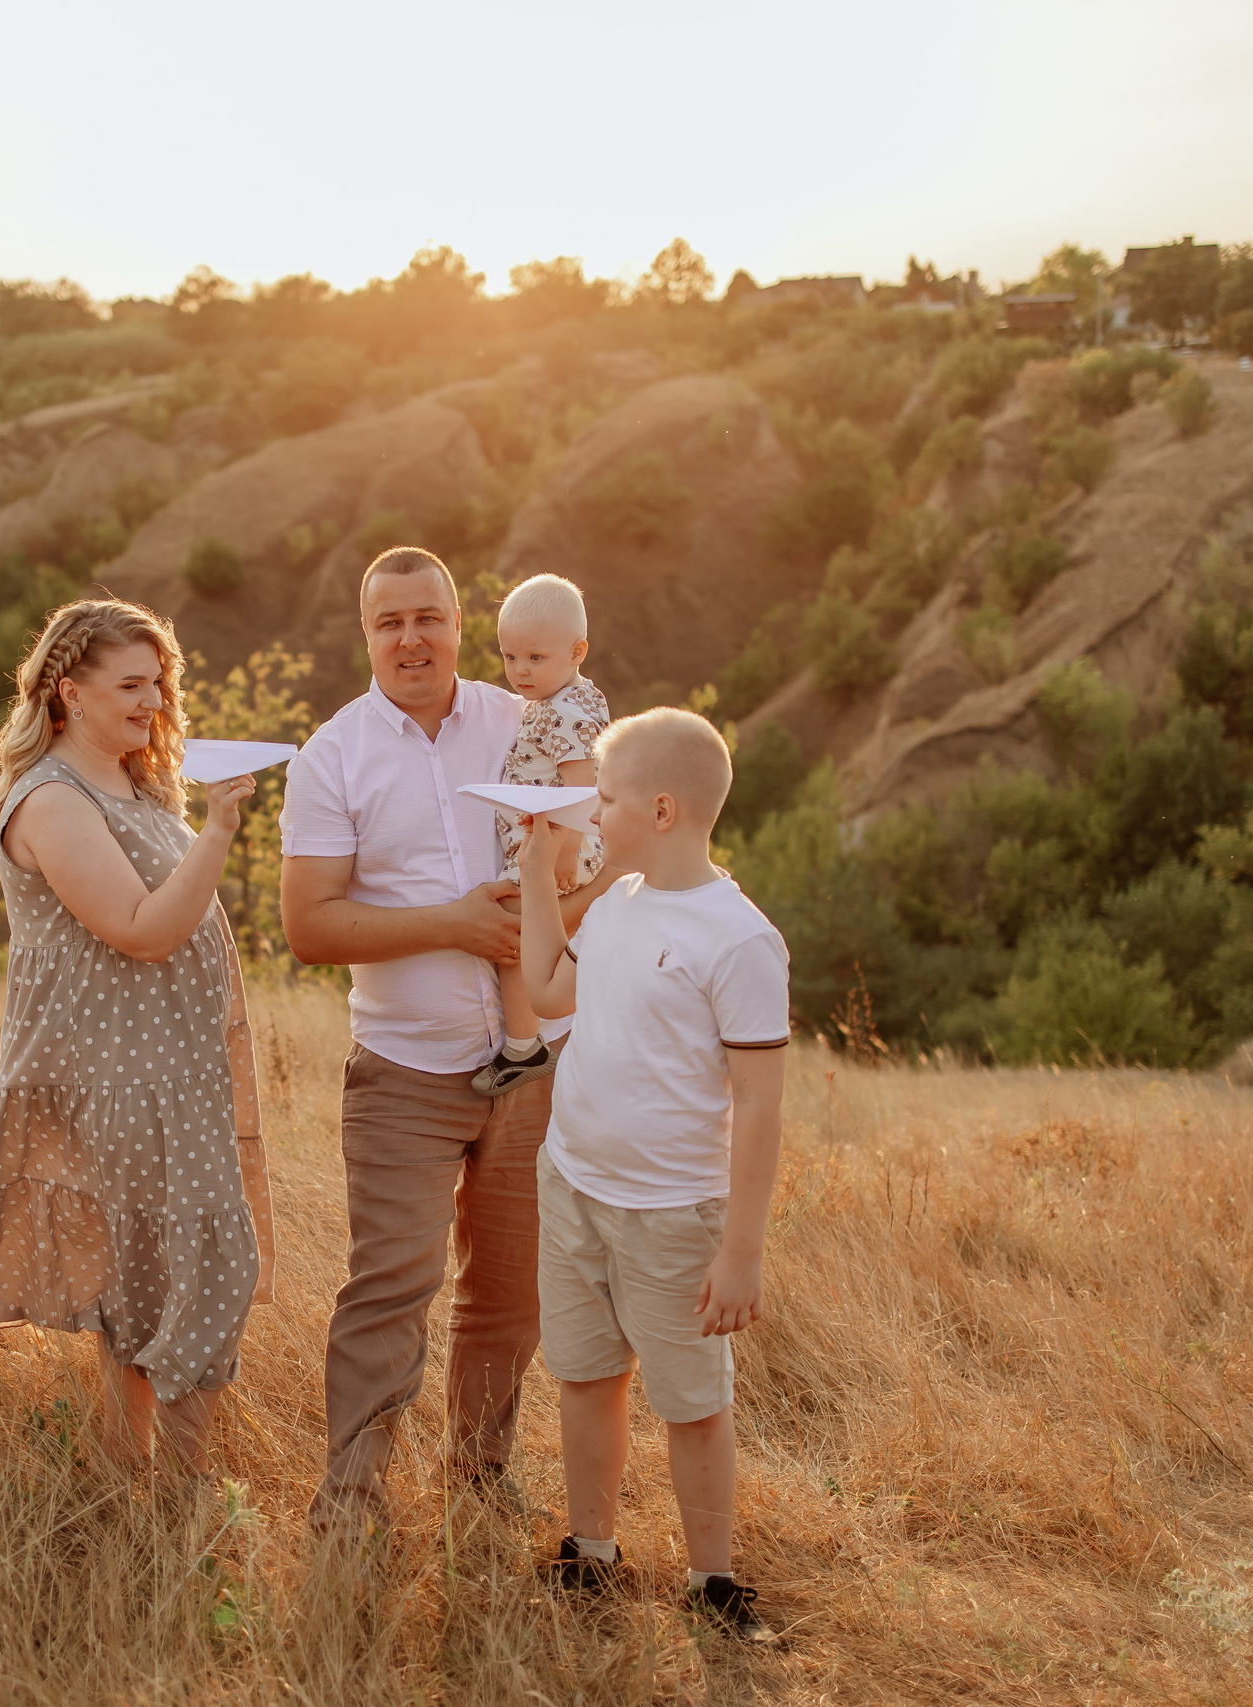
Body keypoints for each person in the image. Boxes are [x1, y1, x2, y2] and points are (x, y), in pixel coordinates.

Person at [279, 546, 613, 1529]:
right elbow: (309, 926)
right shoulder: (331, 755)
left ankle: (477, 1486)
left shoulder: (527, 719)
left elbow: (603, 853)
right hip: (405, 1071)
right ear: (367, 635)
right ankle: (350, 1503)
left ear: (460, 625)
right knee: (391, 1286)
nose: (411, 637)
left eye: (429, 616)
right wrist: (456, 925)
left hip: (538, 1064)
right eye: (390, 622)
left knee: (511, 1291)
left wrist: (551, 920)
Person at [0, 597, 276, 1488]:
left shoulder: (136, 786)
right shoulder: (51, 800)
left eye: (159, 683)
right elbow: (142, 930)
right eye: (131, 684)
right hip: (113, 1072)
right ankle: (183, 1493)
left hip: (170, 1070)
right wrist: (220, 829)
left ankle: (134, 1478)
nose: (154, 700)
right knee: (201, 1264)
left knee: (146, 1274)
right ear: (69, 691)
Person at [513, 706, 791, 1646]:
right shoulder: (616, 905)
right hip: (573, 1188)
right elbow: (547, 991)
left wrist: (741, 1250)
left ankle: (714, 1583)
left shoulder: (739, 938)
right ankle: (591, 1552)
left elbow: (759, 1104)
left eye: (606, 797)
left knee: (692, 1402)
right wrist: (536, 875)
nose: (593, 812)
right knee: (586, 1375)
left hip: (674, 1215)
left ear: (662, 809)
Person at [472, 573, 610, 1098]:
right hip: (551, 842)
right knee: (533, 929)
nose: (520, 671)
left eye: (535, 658)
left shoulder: (566, 713)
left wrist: (565, 852)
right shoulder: (573, 697)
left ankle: (523, 1045)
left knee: (511, 931)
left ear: (577, 652)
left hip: (558, 844)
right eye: (510, 657)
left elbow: (582, 787)